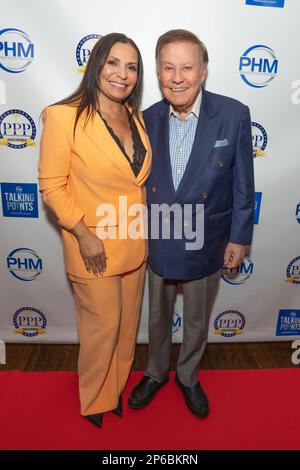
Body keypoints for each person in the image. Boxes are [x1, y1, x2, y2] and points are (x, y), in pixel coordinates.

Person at [128, 29, 254, 418]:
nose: (177, 77)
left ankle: (188, 375)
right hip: (160, 235)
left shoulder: (233, 114)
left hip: (209, 237)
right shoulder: (144, 118)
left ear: (202, 71)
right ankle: (154, 372)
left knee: (198, 318)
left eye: (186, 67)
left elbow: (243, 183)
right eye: (168, 68)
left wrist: (239, 237)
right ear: (159, 72)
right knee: (157, 315)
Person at [38, 33, 151, 428]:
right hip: (94, 246)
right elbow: (52, 186)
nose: (123, 74)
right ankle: (94, 400)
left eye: (132, 66)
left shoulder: (134, 117)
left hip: (135, 246)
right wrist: (84, 235)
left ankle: (115, 388)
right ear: (96, 65)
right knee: (101, 329)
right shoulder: (63, 115)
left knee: (125, 328)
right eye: (113, 63)